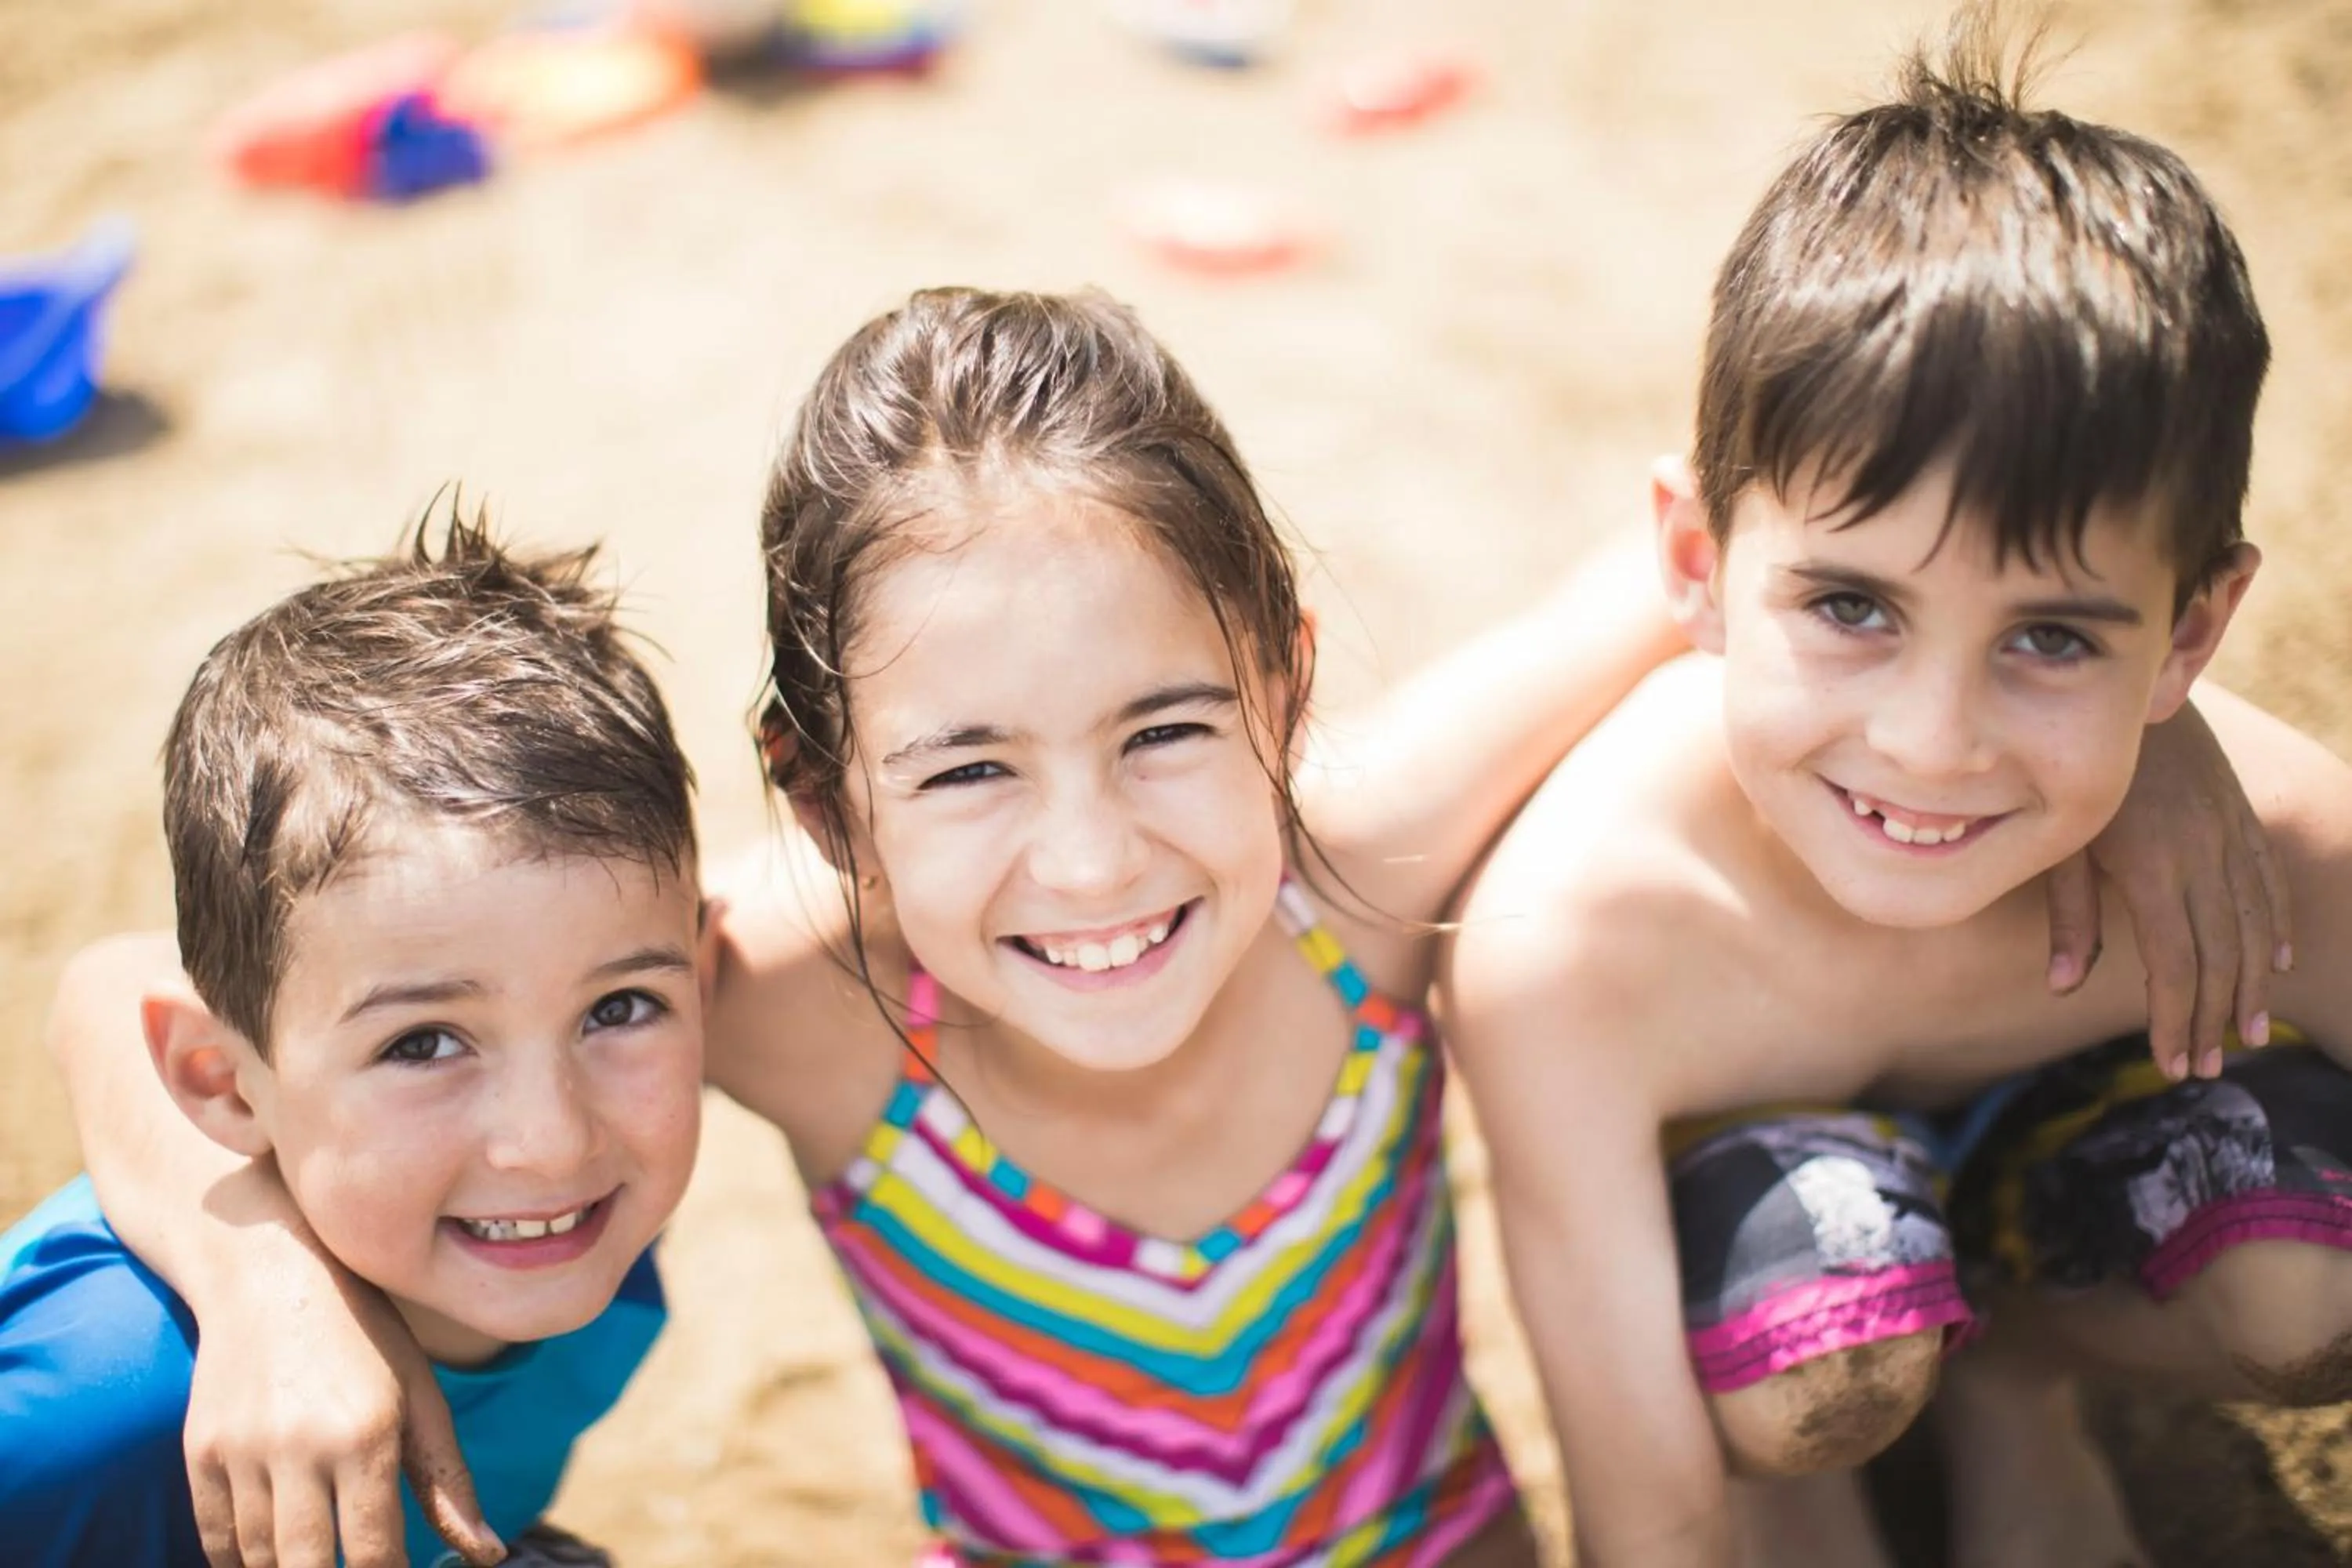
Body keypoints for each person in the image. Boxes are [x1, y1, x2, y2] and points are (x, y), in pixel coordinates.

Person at [42, 289, 2273, 1568]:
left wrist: (2168, 728)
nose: (1094, 862)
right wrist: (253, 1283)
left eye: (1170, 730)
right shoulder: (805, 1005)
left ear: (1288, 683)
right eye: (968, 769)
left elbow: (1740, 577)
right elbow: (124, 991)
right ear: (824, 795)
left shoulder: (1356, 874)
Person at [1438, 16, 2347, 1568]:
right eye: (1853, 606)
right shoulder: (1573, 939)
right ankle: (1810, 1447)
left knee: (2308, 1287)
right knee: (1816, 1360)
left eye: (2050, 637)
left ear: (2191, 632)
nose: (1934, 743)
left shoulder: (2278, 854)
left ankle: (2018, 1377)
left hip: (2048, 1179)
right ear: (1693, 566)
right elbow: (1647, 1518)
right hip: (1779, 1248)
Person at [2, 514, 710, 1568]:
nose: (552, 1141)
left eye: (615, 1012)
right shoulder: (97, 1415)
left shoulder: (563, 1213)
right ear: (220, 1082)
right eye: (424, 1044)